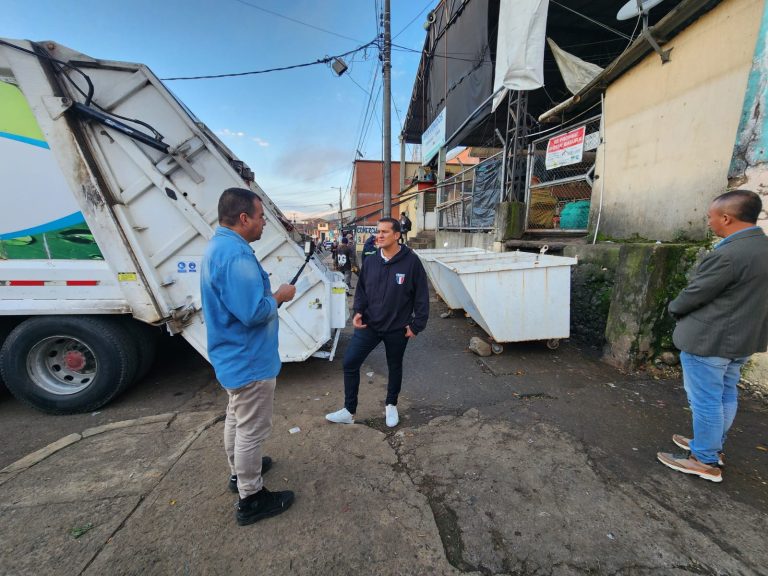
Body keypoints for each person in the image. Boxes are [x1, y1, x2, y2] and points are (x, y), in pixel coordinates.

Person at [201, 187, 297, 525]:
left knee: (236, 418)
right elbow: (253, 312)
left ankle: (238, 474)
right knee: (251, 430)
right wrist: (280, 295)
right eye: (260, 217)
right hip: (249, 360)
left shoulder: (218, 246)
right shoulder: (236, 255)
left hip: (233, 357)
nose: (263, 223)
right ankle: (251, 498)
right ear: (244, 218)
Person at [657, 190, 768, 483]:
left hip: (710, 340)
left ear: (727, 218)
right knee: (725, 393)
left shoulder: (729, 255)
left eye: (711, 217)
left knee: (705, 400)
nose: (709, 222)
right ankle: (710, 446)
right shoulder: (762, 247)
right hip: (743, 339)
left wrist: (674, 308)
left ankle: (704, 460)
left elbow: (695, 294)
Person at [326, 217, 429, 428]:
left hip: (397, 328)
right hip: (370, 325)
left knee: (394, 366)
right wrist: (358, 311)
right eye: (377, 231)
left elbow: (421, 296)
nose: (378, 236)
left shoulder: (411, 262)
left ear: (397, 235)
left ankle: (391, 405)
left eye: (384, 232)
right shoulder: (371, 261)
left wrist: (416, 325)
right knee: (350, 362)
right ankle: (349, 410)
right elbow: (362, 290)